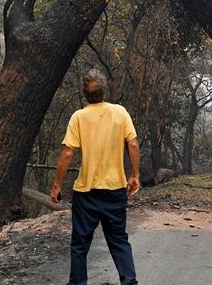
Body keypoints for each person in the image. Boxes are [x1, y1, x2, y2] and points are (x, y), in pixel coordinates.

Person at [51, 68, 141, 285]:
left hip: (86, 193)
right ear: (104, 91)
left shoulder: (79, 117)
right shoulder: (120, 112)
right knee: (119, 240)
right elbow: (133, 143)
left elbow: (67, 153)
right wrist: (135, 174)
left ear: (85, 94)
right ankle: (129, 282)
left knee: (80, 245)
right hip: (115, 190)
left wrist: (56, 185)